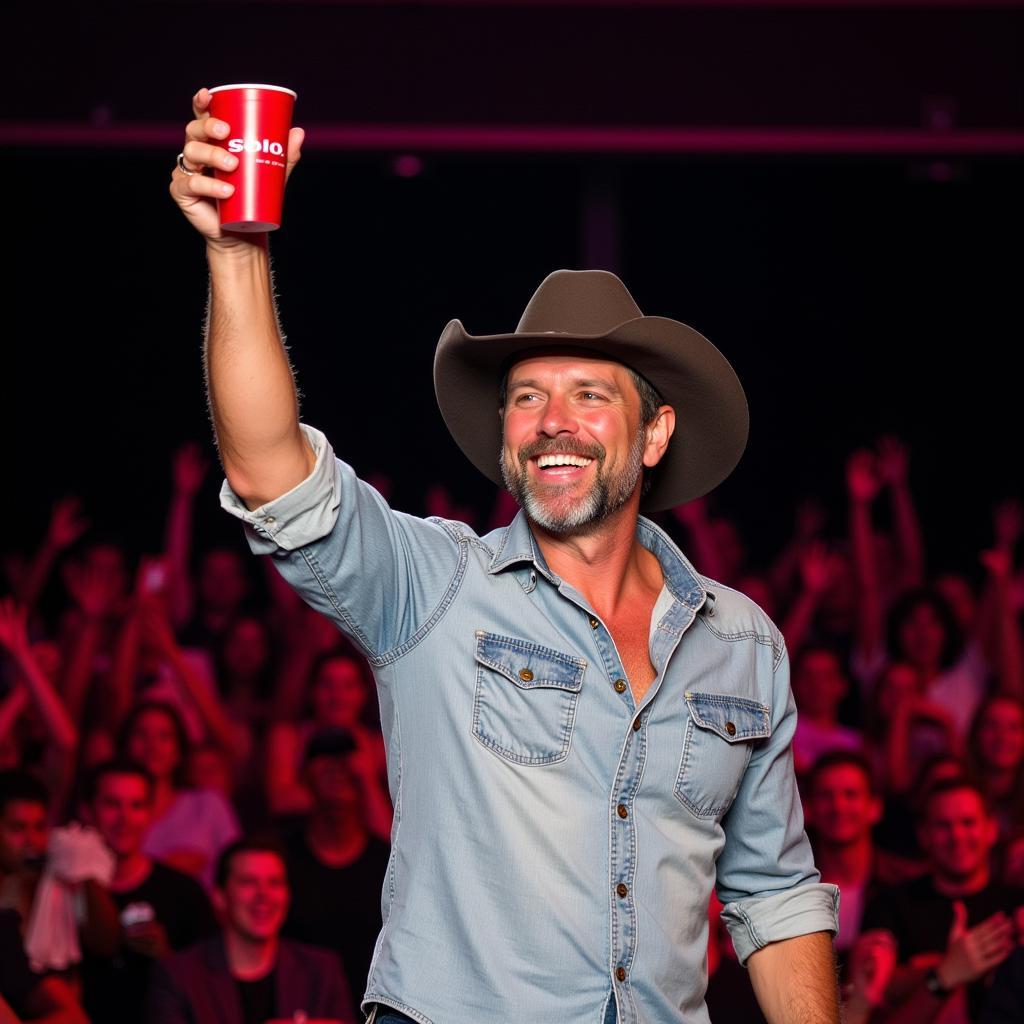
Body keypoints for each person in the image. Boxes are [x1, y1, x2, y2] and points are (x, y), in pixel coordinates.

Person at [170, 88, 840, 1024]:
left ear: (654, 435)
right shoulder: (434, 590)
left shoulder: (745, 643)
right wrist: (235, 252)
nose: (553, 423)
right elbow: (272, 469)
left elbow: (773, 895)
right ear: (503, 440)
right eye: (527, 398)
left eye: (589, 395)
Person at [861, 779, 1024, 1022]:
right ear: (923, 835)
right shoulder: (890, 903)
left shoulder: (1016, 905)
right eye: (943, 826)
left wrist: (920, 971)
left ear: (991, 829)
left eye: (968, 823)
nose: (957, 835)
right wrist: (946, 969)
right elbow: (868, 992)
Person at [147, 836, 354, 1024]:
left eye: (275, 883)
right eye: (248, 882)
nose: (263, 895)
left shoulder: (322, 971)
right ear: (220, 897)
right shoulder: (179, 975)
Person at [80, 759, 216, 1024]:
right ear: (87, 811)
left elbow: (211, 989)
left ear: (151, 813)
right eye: (112, 804)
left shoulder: (184, 892)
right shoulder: (64, 890)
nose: (125, 818)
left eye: (137, 806)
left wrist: (167, 957)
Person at [280, 728, 391, 1003]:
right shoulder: (283, 856)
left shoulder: (385, 860)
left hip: (374, 1004)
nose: (336, 770)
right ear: (305, 776)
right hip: (300, 1006)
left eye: (345, 762)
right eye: (324, 761)